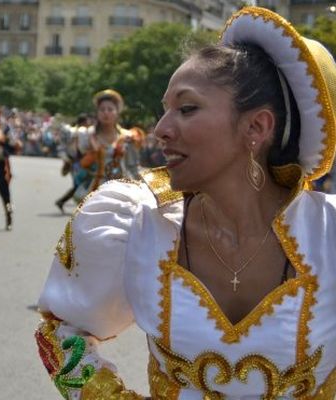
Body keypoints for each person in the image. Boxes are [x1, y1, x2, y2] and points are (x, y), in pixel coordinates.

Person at [35, 7, 336, 399]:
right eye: (165, 110)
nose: (161, 130)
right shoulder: (136, 226)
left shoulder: (328, 236)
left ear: (256, 127)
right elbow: (61, 333)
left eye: (187, 109)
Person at [72, 90, 139, 203]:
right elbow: (81, 164)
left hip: (122, 190)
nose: (106, 113)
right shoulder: (87, 135)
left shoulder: (128, 137)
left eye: (110, 109)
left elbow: (133, 167)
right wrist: (93, 154)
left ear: (117, 112)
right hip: (94, 190)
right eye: (102, 109)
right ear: (97, 113)